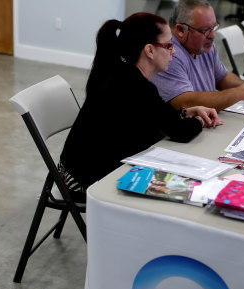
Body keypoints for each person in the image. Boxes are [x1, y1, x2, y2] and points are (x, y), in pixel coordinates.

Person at [59, 13, 223, 202]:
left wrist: (186, 112)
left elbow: (158, 116)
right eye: (169, 45)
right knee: (187, 192)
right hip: (83, 181)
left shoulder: (122, 72)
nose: (174, 52)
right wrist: (200, 120)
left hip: (74, 168)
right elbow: (181, 132)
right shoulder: (136, 86)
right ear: (150, 50)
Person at [151, 0, 244, 112]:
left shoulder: (203, 47)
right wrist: (239, 92)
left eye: (213, 27)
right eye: (205, 30)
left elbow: (222, 77)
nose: (212, 35)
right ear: (181, 30)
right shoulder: (169, 54)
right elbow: (184, 102)